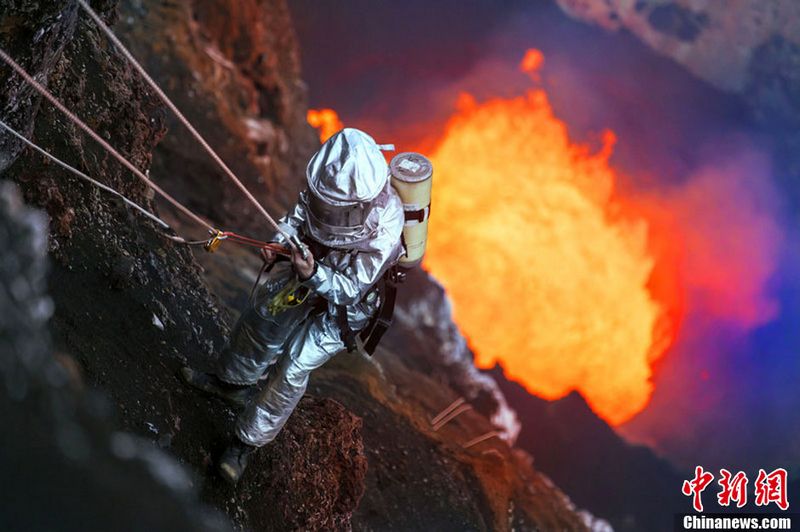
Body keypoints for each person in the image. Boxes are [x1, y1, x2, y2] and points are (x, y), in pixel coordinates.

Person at [181, 128, 405, 483]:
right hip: (311, 269)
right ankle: (231, 384)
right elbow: (299, 214)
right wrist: (277, 242)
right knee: (262, 320)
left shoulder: (387, 226)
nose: (326, 208)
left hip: (347, 306)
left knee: (294, 365)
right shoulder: (322, 190)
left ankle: (244, 444)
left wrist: (314, 273)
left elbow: (350, 290)